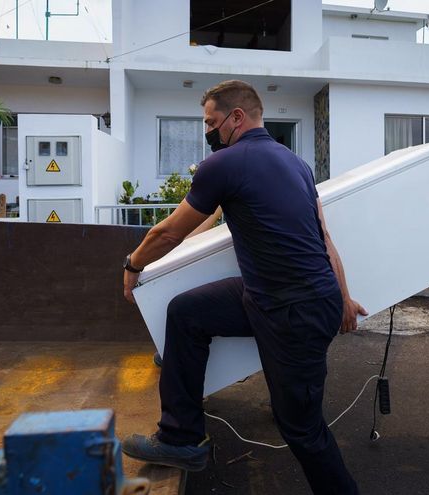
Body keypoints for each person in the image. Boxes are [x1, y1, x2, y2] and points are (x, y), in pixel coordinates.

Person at [121, 80, 365, 494]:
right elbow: (324, 237)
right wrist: (341, 295)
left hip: (297, 311)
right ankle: (181, 438)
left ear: (236, 117)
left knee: (302, 429)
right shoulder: (296, 164)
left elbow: (168, 233)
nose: (207, 132)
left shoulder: (226, 163)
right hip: (267, 295)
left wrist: (133, 264)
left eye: (210, 122)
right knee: (186, 313)